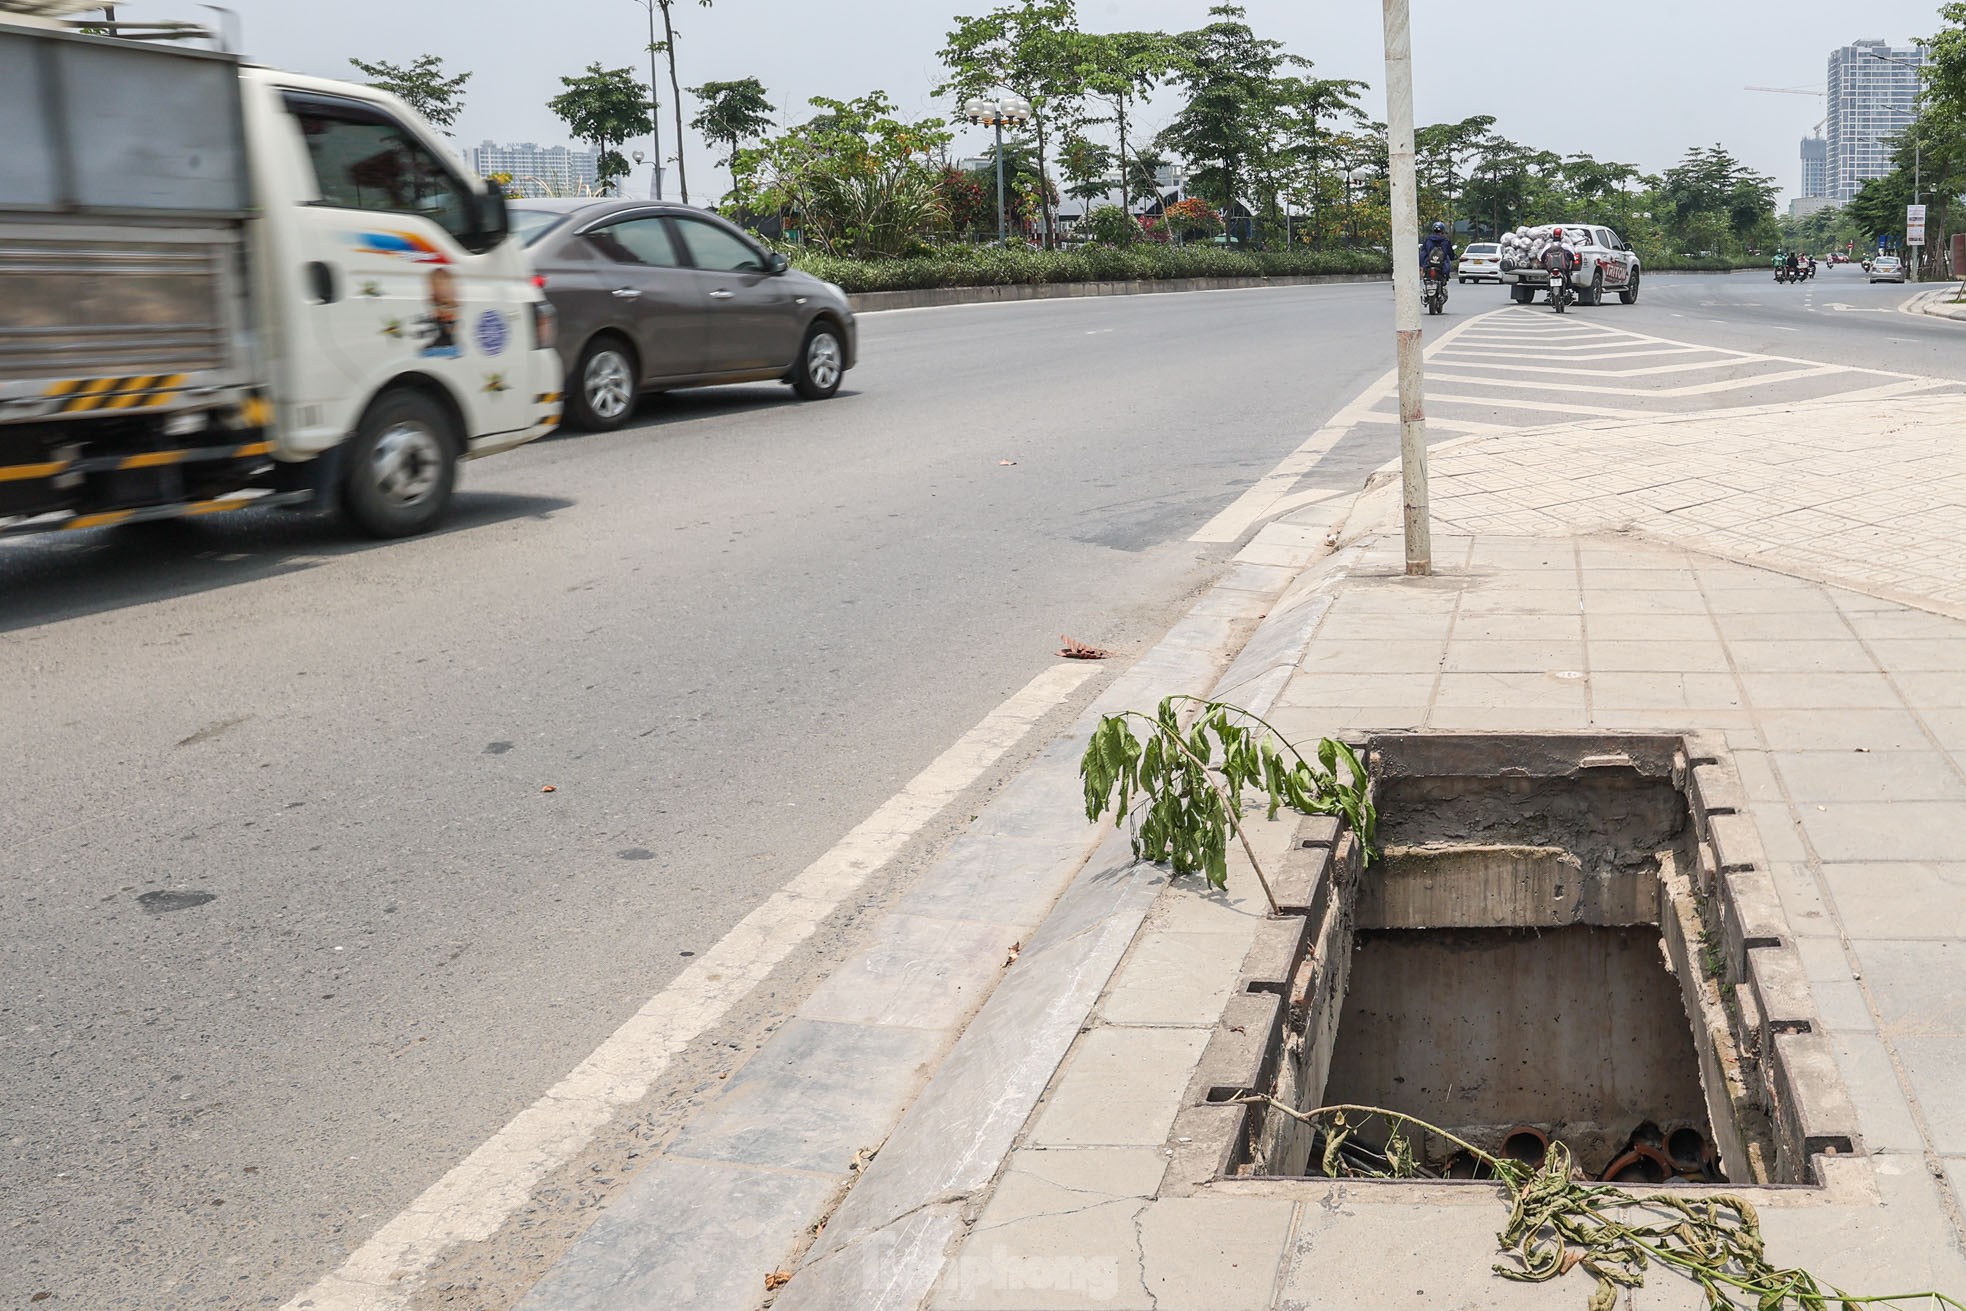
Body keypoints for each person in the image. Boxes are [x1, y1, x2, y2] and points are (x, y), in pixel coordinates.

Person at [1541, 226, 1576, 298]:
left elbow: (1542, 256)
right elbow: (1572, 256)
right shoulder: (1565, 246)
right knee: (1567, 275)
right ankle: (1569, 289)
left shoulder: (1548, 245)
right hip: (1563, 268)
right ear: (1562, 236)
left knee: (1549, 277)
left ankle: (1548, 292)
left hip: (1551, 268)